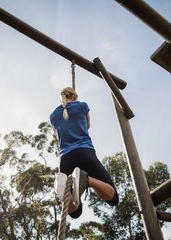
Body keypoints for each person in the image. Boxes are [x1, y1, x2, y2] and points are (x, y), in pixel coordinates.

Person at [50, 86, 119, 218]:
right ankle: (86, 179)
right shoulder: (82, 106)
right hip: (84, 152)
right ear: (75, 96)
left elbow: (58, 134)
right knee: (113, 198)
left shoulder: (53, 116)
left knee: (75, 213)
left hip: (65, 158)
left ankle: (61, 184)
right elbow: (87, 126)